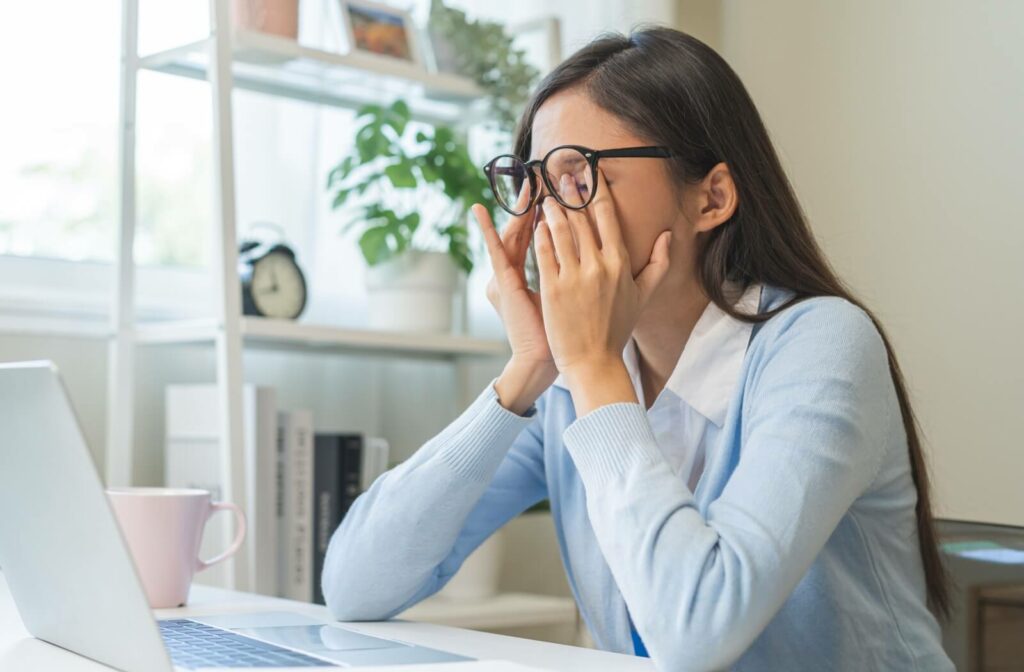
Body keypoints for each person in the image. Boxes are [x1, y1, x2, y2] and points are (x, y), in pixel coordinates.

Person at [322, 26, 954, 671]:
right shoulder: (575, 376)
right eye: (536, 180)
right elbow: (353, 586)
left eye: (580, 173)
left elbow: (696, 635)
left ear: (711, 198)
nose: (546, 214)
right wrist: (530, 368)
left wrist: (592, 369)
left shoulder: (820, 344)